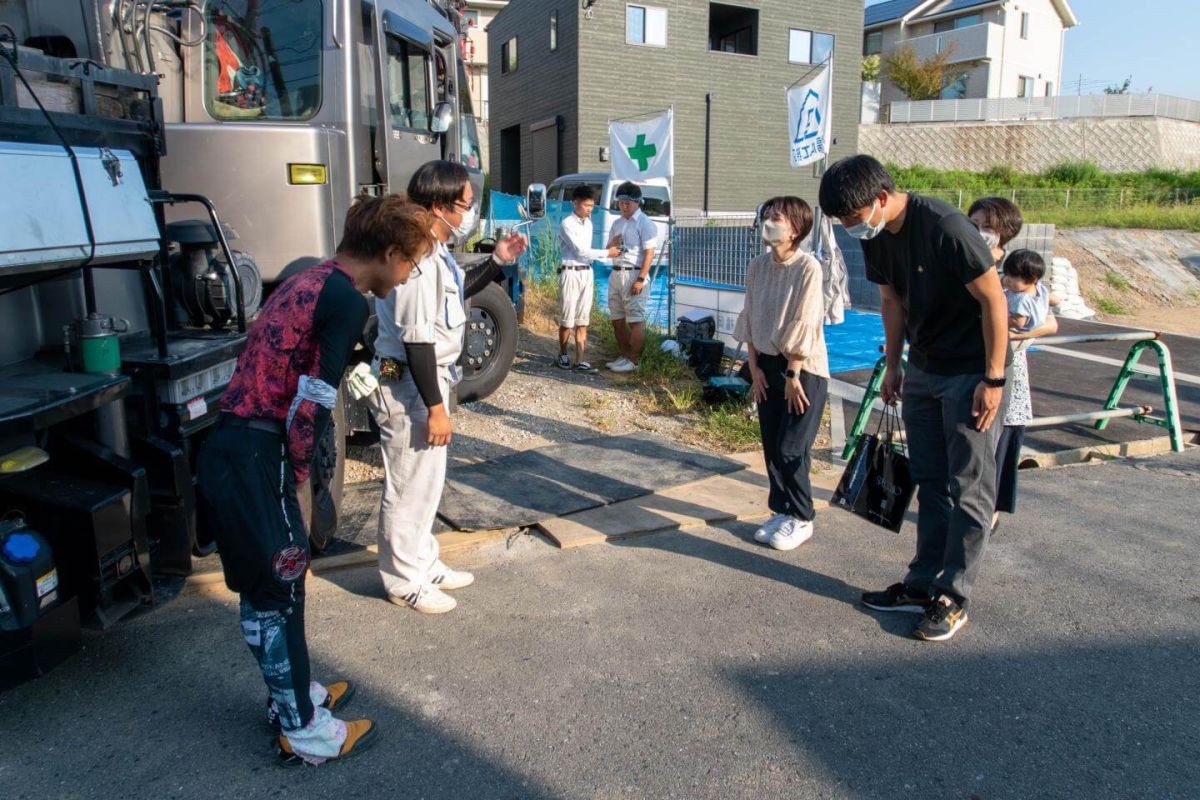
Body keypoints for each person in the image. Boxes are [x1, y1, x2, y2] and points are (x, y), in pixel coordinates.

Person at [196, 195, 435, 765]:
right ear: (391, 252)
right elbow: (311, 404)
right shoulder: (346, 301)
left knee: (274, 586)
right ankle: (303, 732)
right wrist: (303, 489)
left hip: (233, 446)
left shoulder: (312, 279)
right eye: (412, 264)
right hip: (261, 454)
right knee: (279, 586)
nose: (409, 275)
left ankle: (293, 696)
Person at [819, 155, 1009, 643]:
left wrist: (994, 378)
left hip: (969, 373)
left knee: (970, 486)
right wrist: (897, 364)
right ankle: (924, 581)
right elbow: (890, 300)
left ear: (880, 199)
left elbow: (994, 300)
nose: (849, 228)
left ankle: (955, 595)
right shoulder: (878, 236)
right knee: (928, 478)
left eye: (852, 218)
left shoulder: (946, 226)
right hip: (923, 369)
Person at [371, 160, 528, 614]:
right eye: (463, 205)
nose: (468, 213)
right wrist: (436, 407)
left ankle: (422, 561)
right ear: (438, 206)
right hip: (409, 383)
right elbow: (418, 341)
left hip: (425, 380)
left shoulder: (433, 247)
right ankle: (403, 580)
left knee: (427, 482)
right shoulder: (415, 257)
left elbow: (458, 295)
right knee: (407, 484)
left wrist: (498, 261)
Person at [733, 196, 830, 551]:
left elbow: (805, 321)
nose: (769, 222)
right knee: (772, 445)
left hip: (802, 368)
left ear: (797, 228)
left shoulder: (808, 268)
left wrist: (793, 374)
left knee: (792, 447)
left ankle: (802, 517)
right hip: (767, 366)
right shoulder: (758, 265)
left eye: (778, 217)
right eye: (767, 216)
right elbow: (751, 317)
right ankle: (781, 510)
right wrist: (755, 370)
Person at [967, 197, 1058, 532]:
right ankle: (973, 510)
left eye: (987, 227)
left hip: (1005, 376)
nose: (979, 233)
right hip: (973, 371)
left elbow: (1049, 324)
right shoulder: (973, 265)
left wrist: (1017, 332)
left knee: (1001, 447)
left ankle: (990, 513)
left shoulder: (1020, 288)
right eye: (973, 225)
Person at [556, 185, 621, 371]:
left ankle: (580, 359)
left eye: (592, 206)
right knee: (567, 319)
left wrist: (607, 251)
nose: (589, 209)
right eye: (586, 205)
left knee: (583, 319)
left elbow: (587, 253)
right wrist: (608, 253)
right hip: (570, 271)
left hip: (587, 272)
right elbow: (580, 251)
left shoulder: (589, 224)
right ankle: (563, 354)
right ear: (575, 203)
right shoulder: (567, 223)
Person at [604, 181, 661, 373]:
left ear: (637, 202)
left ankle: (635, 360)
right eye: (620, 202)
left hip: (634, 272)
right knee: (616, 319)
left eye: (627, 202)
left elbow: (649, 253)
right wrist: (612, 242)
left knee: (635, 319)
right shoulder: (617, 223)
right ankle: (625, 355)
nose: (623, 206)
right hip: (616, 272)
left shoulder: (645, 223)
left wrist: (641, 279)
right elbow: (607, 251)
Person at [1002, 249, 1051, 332]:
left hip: (1015, 332)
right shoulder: (1039, 287)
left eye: (1013, 276)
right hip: (1035, 329)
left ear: (1031, 279)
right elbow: (1053, 299)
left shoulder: (1021, 299)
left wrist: (995, 321)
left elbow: (1018, 322)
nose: (1007, 279)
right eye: (1006, 274)